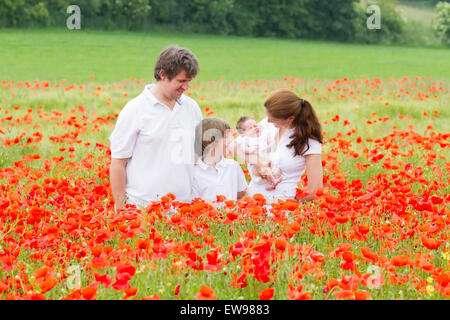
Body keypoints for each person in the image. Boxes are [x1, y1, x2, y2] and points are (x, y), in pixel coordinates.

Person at [109, 45, 202, 210]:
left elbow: (198, 154)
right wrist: (120, 208)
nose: (186, 87)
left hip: (184, 207)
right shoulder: (135, 109)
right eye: (181, 81)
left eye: (189, 81)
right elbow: (118, 163)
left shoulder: (191, 107)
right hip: (143, 207)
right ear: (163, 75)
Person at [246, 88, 324, 203]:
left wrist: (288, 206)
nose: (267, 121)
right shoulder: (268, 125)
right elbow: (237, 146)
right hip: (252, 202)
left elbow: (315, 190)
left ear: (290, 119)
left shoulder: (309, 141)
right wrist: (258, 163)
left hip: (282, 206)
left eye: (272, 119)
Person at [191, 117, 247, 202]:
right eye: (226, 137)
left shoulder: (233, 166)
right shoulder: (195, 172)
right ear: (210, 142)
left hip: (231, 214)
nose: (230, 141)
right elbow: (195, 202)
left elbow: (241, 195)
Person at [233, 116, 282, 190]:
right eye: (250, 128)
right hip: (256, 166)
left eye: (255, 125)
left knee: (277, 169)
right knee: (265, 169)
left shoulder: (263, 136)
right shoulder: (246, 139)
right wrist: (250, 150)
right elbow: (243, 148)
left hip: (268, 160)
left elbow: (271, 145)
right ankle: (272, 182)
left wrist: (268, 148)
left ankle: (271, 179)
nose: (254, 128)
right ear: (243, 133)